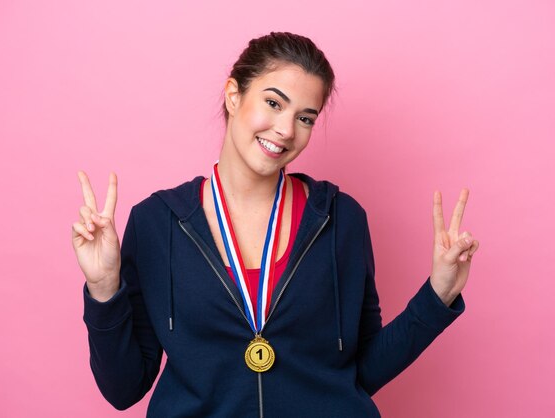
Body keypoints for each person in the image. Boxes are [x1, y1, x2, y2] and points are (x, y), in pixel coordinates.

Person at [71, 32, 479, 418]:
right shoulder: (157, 222)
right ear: (234, 96)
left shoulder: (341, 220)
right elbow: (123, 390)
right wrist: (104, 289)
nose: (286, 130)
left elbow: (363, 370)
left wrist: (437, 296)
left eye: (305, 118)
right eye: (273, 103)